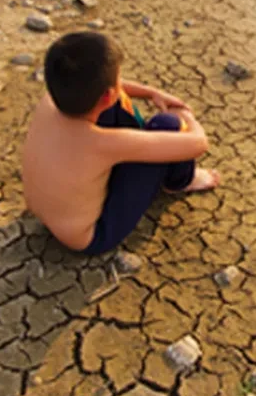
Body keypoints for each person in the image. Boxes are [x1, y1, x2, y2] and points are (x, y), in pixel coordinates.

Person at [21, 31, 220, 254]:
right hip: (92, 236)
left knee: (111, 104)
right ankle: (181, 181)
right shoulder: (103, 144)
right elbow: (198, 143)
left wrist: (151, 93)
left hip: (47, 213)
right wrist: (185, 115)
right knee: (168, 124)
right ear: (107, 93)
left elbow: (108, 89)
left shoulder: (49, 102)